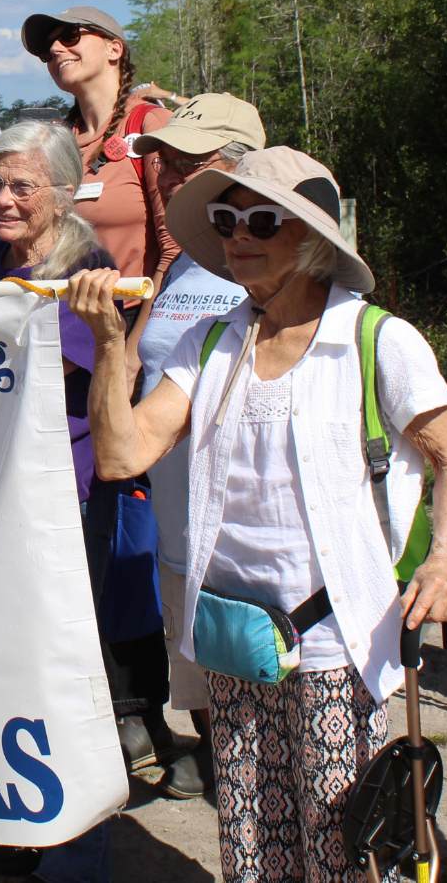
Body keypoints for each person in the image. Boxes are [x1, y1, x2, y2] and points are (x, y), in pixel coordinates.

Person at [70, 147, 447, 883]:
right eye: (226, 220)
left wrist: (444, 563)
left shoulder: (375, 340)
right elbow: (123, 456)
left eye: (262, 220)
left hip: (338, 641)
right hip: (237, 637)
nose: (238, 236)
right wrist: (106, 344)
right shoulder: (211, 341)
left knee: (341, 843)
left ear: (313, 238)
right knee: (252, 841)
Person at [0, 122, 128, 880]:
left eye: (22, 186)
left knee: (62, 665)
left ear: (61, 192)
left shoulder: (88, 270)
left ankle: (77, 847)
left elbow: (49, 372)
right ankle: (9, 815)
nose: (4, 199)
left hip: (63, 494)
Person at [125, 93, 267, 802]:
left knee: (264, 692)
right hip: (178, 522)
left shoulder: (270, 265)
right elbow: (141, 367)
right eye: (166, 163)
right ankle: (224, 778)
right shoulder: (180, 267)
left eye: (192, 161)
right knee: (202, 673)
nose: (174, 176)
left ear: (246, 166)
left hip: (248, 537)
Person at [20, 6, 179, 287]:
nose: (55, 49)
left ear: (114, 49)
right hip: (62, 308)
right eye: (47, 50)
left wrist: (141, 316)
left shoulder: (151, 124)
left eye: (70, 35)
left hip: (130, 307)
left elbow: (174, 248)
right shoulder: (55, 141)